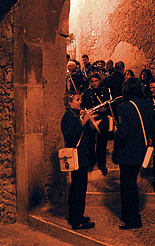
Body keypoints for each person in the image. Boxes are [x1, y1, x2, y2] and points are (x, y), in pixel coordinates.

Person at [113, 77, 155, 230]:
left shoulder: (124, 107)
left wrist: (115, 130)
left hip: (127, 153)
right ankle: (130, 215)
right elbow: (152, 129)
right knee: (132, 183)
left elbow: (123, 133)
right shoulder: (147, 105)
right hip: (141, 151)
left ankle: (132, 219)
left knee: (128, 186)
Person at [61, 91, 96, 230]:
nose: (80, 102)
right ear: (70, 103)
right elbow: (70, 135)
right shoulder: (68, 117)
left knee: (80, 188)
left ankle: (78, 215)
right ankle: (77, 220)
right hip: (77, 157)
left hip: (82, 157)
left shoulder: (74, 115)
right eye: (77, 100)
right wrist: (84, 121)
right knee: (77, 188)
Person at [81, 73, 111, 176]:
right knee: (90, 142)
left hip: (102, 119)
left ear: (99, 81)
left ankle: (102, 164)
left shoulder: (105, 91)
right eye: (92, 81)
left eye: (96, 81)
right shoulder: (87, 93)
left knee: (102, 143)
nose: (94, 83)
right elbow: (83, 106)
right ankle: (91, 162)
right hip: (91, 119)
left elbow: (109, 106)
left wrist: (105, 109)